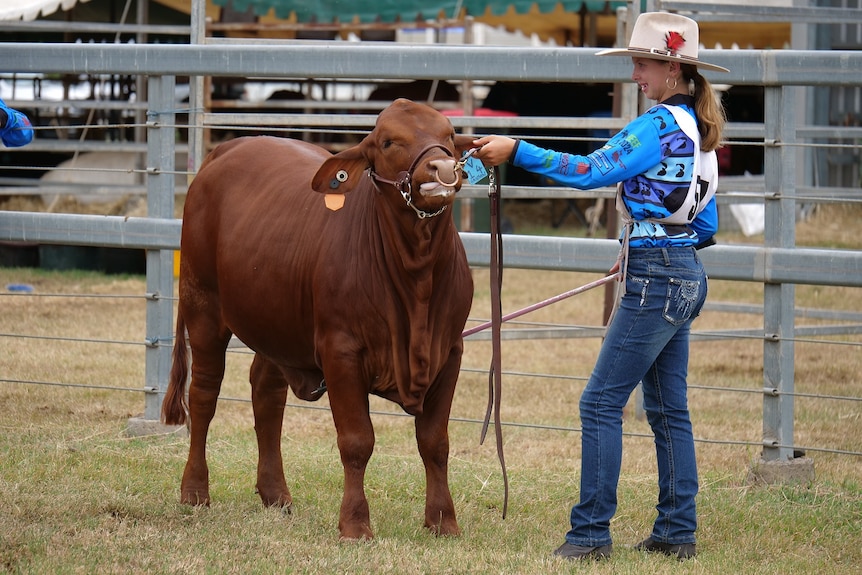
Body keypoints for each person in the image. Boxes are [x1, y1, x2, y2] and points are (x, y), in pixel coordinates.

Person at [473, 11, 728, 562]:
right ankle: (676, 529)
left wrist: (518, 151)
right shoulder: (698, 133)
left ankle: (591, 534)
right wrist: (658, 242)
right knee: (667, 409)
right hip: (683, 273)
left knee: (600, 404)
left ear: (668, 68)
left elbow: (591, 171)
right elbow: (706, 225)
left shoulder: (656, 126)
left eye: (641, 64)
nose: (634, 74)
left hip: (656, 276)